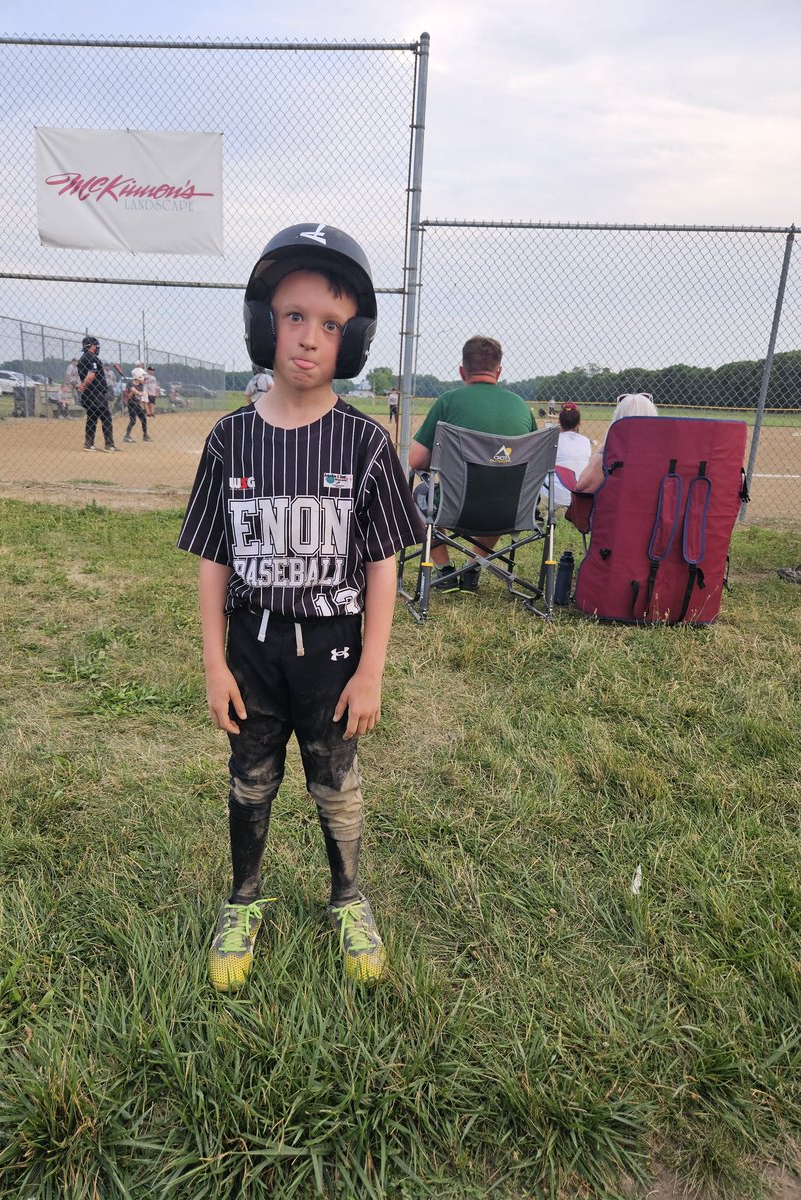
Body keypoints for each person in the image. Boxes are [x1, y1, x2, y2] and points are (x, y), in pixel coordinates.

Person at [177, 223, 424, 993]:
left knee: (334, 779)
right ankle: (243, 898)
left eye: (329, 325)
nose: (309, 338)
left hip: (333, 650)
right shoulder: (231, 439)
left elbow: (383, 561)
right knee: (249, 777)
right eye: (293, 316)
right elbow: (215, 558)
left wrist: (373, 668)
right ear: (262, 324)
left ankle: (348, 896)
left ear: (350, 343)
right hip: (252, 646)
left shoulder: (365, 443)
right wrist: (215, 662)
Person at [409, 334, 537, 592]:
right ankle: (473, 568)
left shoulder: (448, 402)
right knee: (501, 488)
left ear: (461, 370)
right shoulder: (520, 406)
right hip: (511, 511)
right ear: (498, 371)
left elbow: (417, 460)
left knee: (421, 494)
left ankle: (444, 571)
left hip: (454, 508)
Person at [574, 393, 658, 494]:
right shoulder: (664, 457)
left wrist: (599, 453)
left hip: (613, 508)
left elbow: (581, 488)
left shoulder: (608, 455)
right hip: (652, 509)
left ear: (617, 419)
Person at [77, 336, 118, 452]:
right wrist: (83, 386)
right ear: (91, 346)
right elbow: (91, 375)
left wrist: (83, 387)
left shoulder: (82, 358)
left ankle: (89, 444)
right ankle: (109, 445)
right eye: (96, 345)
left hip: (89, 394)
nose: (97, 347)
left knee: (92, 417)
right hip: (96, 394)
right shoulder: (92, 358)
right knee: (106, 418)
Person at [548, 402, 592, 507]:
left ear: (560, 422)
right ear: (578, 424)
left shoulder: (553, 440)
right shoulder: (585, 441)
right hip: (578, 496)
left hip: (554, 497)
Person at [122, 377, 151, 443]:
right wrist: (132, 391)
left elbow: (139, 395)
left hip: (137, 404)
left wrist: (136, 391)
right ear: (138, 378)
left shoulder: (141, 385)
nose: (144, 381)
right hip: (131, 404)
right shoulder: (129, 384)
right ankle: (127, 436)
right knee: (133, 421)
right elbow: (128, 397)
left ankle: (145, 436)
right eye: (143, 379)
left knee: (144, 419)